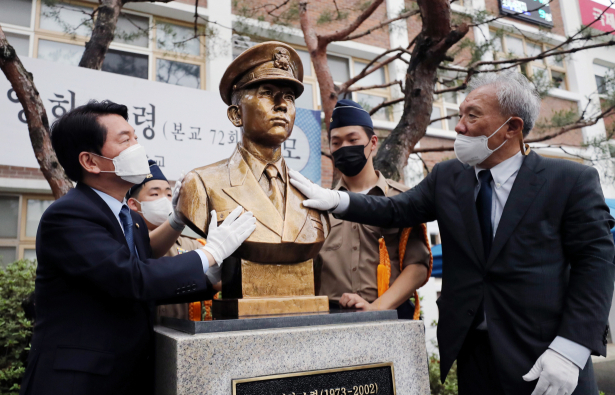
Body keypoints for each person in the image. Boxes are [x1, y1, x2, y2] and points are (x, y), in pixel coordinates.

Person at [290, 72, 615, 395]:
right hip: (475, 360)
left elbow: (596, 263)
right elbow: (397, 209)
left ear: (512, 127)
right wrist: (338, 201)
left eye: (472, 116)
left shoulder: (569, 180)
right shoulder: (449, 177)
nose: (459, 125)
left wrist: (570, 350)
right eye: (460, 114)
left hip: (545, 360)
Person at [10, 100, 256, 395]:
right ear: (90, 161)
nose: (137, 148)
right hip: (75, 393)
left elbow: (144, 281)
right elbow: (131, 278)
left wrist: (211, 280)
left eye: (136, 137)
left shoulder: (129, 218)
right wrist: (209, 252)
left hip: (123, 386)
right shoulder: (69, 216)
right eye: (125, 140)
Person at [179, 41, 329, 297]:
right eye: (267, 93)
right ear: (236, 115)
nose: (282, 104)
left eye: (289, 97)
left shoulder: (311, 192)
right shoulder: (202, 183)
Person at [315, 99, 431, 319]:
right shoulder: (320, 206)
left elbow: (418, 266)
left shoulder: (403, 198)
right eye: (336, 142)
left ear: (373, 142)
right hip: (330, 318)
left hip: (391, 315)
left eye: (352, 139)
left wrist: (377, 307)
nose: (344, 148)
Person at [126, 159, 214, 321]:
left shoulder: (195, 245)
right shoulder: (128, 245)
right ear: (133, 204)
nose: (164, 200)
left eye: (168, 194)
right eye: (155, 194)